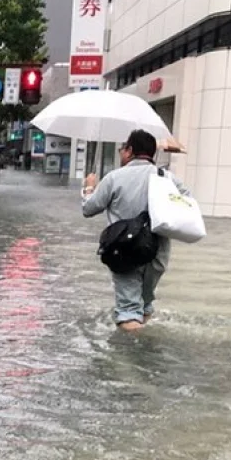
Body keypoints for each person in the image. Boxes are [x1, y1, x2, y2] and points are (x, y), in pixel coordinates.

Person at [81, 129, 191, 332]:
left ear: (130, 150)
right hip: (158, 252)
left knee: (129, 310)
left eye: (122, 148)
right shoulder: (168, 178)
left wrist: (89, 188)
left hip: (124, 250)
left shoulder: (114, 178)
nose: (120, 152)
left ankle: (134, 357)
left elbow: (88, 209)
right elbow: (187, 204)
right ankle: (145, 340)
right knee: (145, 303)